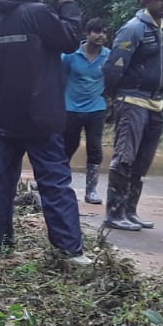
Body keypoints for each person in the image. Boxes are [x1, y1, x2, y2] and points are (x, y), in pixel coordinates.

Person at [0, 0, 89, 264]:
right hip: (39, 114)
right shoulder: (38, 12)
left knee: (1, 184)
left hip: (5, 115)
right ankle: (69, 249)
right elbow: (70, 40)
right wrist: (66, 4)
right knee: (54, 182)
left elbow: (26, 23)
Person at [102, 0, 163, 231]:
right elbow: (114, 66)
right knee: (124, 157)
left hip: (155, 102)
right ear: (148, 0)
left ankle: (129, 211)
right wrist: (116, 96)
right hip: (132, 99)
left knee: (142, 161)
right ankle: (114, 213)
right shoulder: (133, 28)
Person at [61, 17, 111, 204]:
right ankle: (61, 184)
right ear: (87, 34)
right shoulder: (70, 55)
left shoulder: (108, 56)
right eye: (97, 31)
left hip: (96, 109)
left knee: (95, 148)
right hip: (71, 108)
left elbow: (114, 77)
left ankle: (91, 191)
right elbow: (58, 76)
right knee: (68, 146)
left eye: (104, 32)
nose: (101, 36)